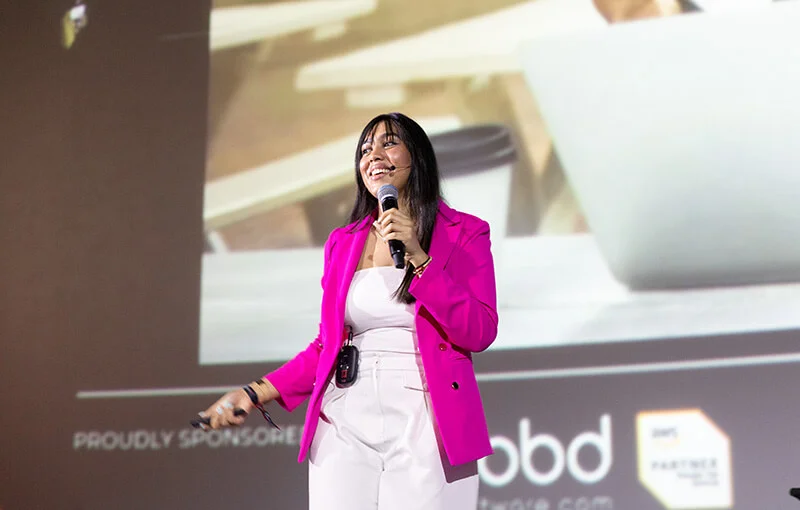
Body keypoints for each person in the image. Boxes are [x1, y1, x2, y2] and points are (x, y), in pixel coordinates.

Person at [198, 112, 498, 510]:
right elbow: (327, 345)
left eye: (388, 143)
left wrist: (421, 259)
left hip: (427, 412)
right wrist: (254, 393)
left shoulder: (465, 232)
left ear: (418, 156)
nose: (374, 155)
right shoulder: (343, 242)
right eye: (364, 148)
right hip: (345, 413)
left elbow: (479, 330)